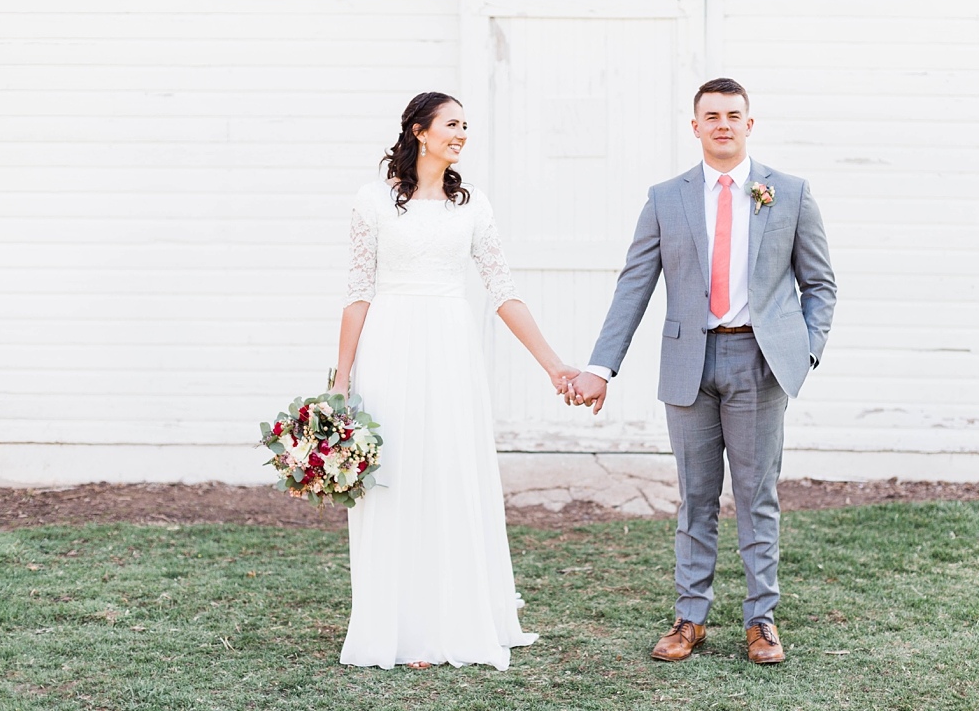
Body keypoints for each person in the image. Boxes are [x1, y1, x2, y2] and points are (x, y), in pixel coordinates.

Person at [567, 78, 836, 664]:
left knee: (757, 495)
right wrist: (600, 366)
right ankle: (690, 618)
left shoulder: (787, 192)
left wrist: (805, 351)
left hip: (761, 364)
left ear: (749, 124)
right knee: (695, 499)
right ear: (695, 127)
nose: (722, 124)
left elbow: (819, 284)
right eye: (710, 115)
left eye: (733, 115)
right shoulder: (667, 197)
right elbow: (633, 285)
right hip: (689, 362)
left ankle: (760, 620)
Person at [330, 91, 578, 671]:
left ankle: (452, 621)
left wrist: (552, 362)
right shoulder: (372, 202)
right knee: (394, 475)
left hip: (449, 346)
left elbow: (503, 290)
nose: (461, 133)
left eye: (466, 125)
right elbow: (356, 292)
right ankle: (398, 629)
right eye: (451, 124)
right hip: (388, 345)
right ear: (420, 131)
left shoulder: (473, 207)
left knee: (448, 471)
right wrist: (340, 379)